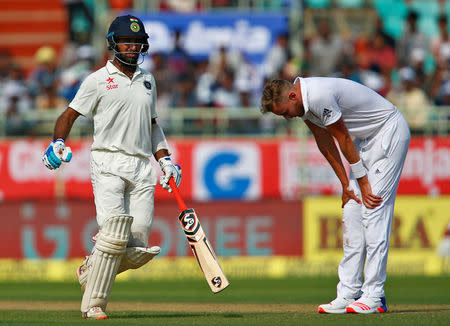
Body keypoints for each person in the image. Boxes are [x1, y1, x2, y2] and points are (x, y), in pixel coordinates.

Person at [42, 15, 181, 320]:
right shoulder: (96, 81)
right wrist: (57, 143)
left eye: (136, 42)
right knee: (114, 233)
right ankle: (94, 304)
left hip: (142, 165)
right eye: (126, 42)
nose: (132, 47)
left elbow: (153, 125)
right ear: (113, 44)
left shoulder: (148, 80)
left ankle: (90, 268)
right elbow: (68, 115)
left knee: (138, 245)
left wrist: (165, 159)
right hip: (108, 161)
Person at [261, 77, 410, 314]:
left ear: (292, 96)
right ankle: (349, 292)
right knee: (352, 211)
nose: (288, 117)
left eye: (286, 113)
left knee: (373, 209)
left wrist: (361, 181)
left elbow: (342, 138)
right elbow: (325, 141)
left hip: (388, 131)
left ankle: (374, 295)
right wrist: (345, 185)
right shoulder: (304, 106)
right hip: (366, 142)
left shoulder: (318, 95)